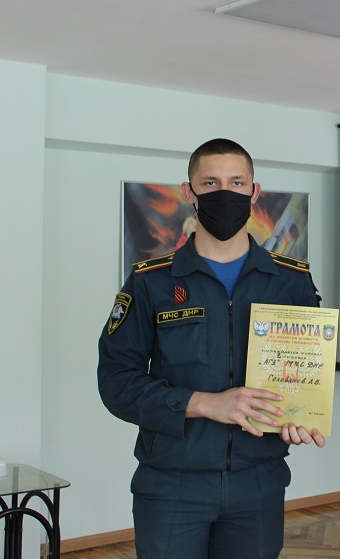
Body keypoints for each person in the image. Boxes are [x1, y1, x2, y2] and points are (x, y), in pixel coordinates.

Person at [98, 138, 326, 559]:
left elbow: (304, 374)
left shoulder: (291, 282)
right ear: (190, 192)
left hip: (259, 482)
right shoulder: (151, 282)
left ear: (254, 192)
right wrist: (205, 403)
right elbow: (116, 382)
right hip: (172, 484)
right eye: (211, 183)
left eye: (237, 183)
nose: (225, 193)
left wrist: (298, 416)